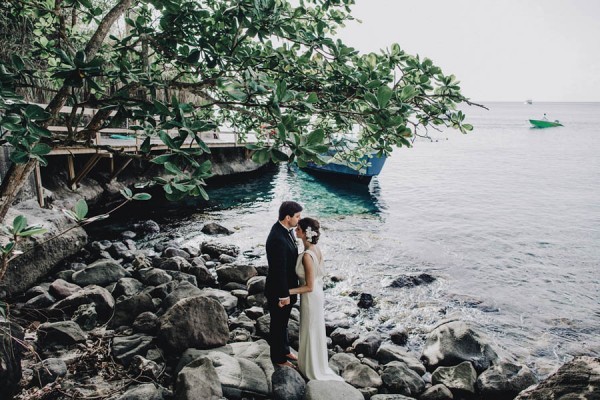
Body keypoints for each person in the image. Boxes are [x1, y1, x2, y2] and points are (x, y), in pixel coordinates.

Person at [288, 218, 344, 381]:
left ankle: (312, 369)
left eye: (298, 228)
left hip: (311, 297)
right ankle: (312, 364)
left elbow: (309, 286)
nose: (295, 230)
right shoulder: (316, 249)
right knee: (312, 330)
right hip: (317, 294)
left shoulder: (307, 256)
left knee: (310, 330)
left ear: (306, 233)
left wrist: (287, 291)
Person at [265, 201, 303, 367]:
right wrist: (284, 295)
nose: (299, 220)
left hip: (287, 287)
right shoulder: (277, 238)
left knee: (284, 323)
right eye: (297, 216)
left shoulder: (287, 231)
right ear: (288, 217)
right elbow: (278, 270)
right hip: (279, 290)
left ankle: (285, 349)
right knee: (278, 324)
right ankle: (278, 359)